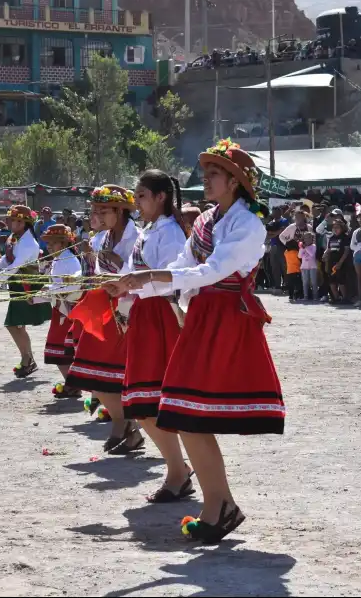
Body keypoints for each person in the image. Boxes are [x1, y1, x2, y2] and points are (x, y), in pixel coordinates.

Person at [118, 139, 284, 544]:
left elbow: (214, 270)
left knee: (185, 413)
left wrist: (150, 279)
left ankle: (218, 506)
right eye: (206, 173)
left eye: (214, 174)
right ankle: (219, 504)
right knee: (180, 411)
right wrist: (131, 286)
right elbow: (182, 266)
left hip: (227, 317)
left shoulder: (248, 223)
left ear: (234, 181)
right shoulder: (210, 219)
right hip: (203, 317)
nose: (206, 180)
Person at [104, 170, 195, 502]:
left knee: (154, 400)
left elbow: (171, 279)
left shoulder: (170, 233)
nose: (136, 202)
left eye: (141, 196)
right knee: (143, 402)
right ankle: (178, 468)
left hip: (162, 317)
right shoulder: (148, 231)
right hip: (144, 314)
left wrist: (131, 286)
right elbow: (132, 271)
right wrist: (119, 292)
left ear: (161, 197)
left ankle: (178, 471)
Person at [65, 185, 142, 450]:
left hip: (128, 308)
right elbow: (95, 272)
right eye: (94, 209)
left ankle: (124, 426)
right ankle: (124, 423)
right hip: (102, 303)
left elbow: (141, 274)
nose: (96, 214)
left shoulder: (138, 238)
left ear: (120, 211)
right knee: (88, 369)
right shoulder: (99, 239)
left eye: (102, 210)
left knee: (119, 372)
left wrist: (119, 264)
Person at [0, 205, 52, 377]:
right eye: (13, 220)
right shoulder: (14, 238)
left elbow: (15, 265)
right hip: (18, 284)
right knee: (16, 325)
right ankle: (27, 360)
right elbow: (7, 259)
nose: (14, 223)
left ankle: (28, 360)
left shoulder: (28, 242)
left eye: (19, 221)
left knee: (13, 324)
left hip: (27, 285)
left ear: (26, 223)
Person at [34, 225, 83, 398]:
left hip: (67, 311)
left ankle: (74, 385)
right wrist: (39, 296)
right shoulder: (58, 259)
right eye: (48, 243)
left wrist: (42, 294)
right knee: (60, 351)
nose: (48, 246)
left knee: (62, 351)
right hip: (60, 309)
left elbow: (73, 284)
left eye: (52, 243)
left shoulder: (69, 260)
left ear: (62, 243)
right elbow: (56, 286)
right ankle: (72, 384)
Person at [324, 219, 350, 303]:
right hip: (331, 261)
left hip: (341, 262)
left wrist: (340, 262)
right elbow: (329, 249)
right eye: (334, 227)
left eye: (337, 227)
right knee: (332, 281)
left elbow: (346, 251)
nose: (335, 229)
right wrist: (325, 255)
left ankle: (345, 298)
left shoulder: (345, 237)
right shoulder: (331, 238)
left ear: (342, 228)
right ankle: (336, 298)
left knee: (341, 281)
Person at [299, 231, 318, 300]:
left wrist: (305, 248)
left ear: (312, 238)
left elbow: (312, 254)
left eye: (309, 238)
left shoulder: (313, 246)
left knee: (313, 282)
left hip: (312, 266)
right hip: (304, 267)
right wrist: (301, 249)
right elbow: (299, 256)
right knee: (305, 282)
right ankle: (305, 296)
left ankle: (315, 296)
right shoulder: (302, 247)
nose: (307, 239)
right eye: (305, 238)